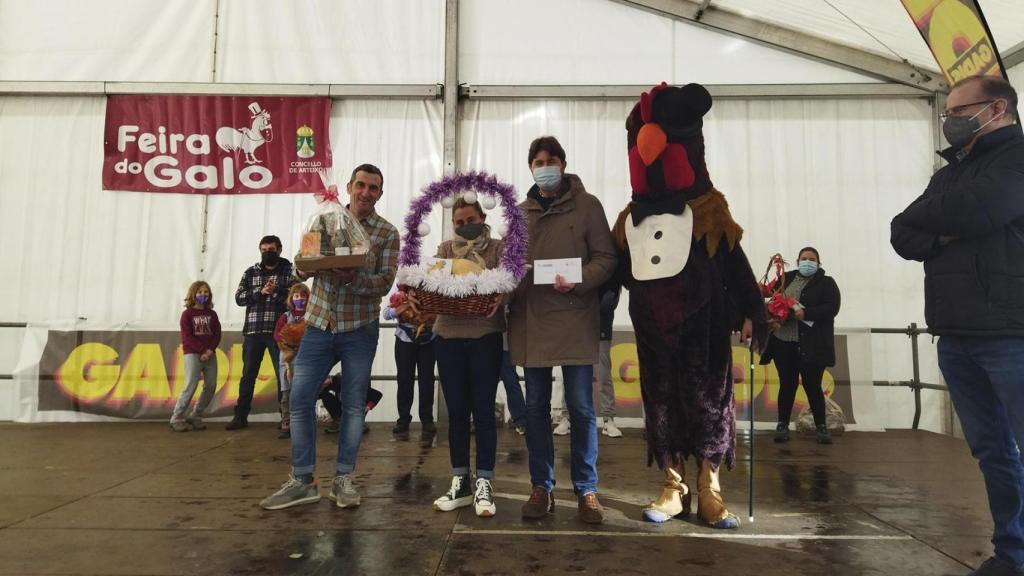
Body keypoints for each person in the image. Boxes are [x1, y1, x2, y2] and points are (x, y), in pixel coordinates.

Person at [612, 83, 766, 528]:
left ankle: (709, 487)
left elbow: (736, 266)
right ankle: (674, 485)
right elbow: (613, 272)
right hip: (652, 336)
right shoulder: (629, 222)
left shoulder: (710, 213)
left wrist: (753, 311)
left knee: (708, 404)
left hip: (705, 331)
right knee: (660, 406)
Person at [891, 75, 1024, 576]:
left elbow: (983, 208)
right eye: (947, 112)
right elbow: (901, 230)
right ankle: (1012, 555)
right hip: (957, 334)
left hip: (1012, 331)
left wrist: (938, 225)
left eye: (957, 110)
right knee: (992, 452)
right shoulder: (951, 171)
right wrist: (944, 232)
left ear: (996, 108)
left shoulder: (1017, 158)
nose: (950, 121)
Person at [259, 163, 399, 511]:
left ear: (380, 194)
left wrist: (350, 278)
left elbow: (384, 283)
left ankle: (343, 480)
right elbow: (300, 267)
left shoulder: (387, 233)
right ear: (349, 187)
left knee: (353, 406)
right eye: (361, 185)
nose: (366, 192)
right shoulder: (324, 221)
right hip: (319, 325)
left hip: (359, 330)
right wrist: (310, 264)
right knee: (300, 400)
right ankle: (303, 479)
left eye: (374, 188)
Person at [507, 136, 617, 524]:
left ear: (564, 163)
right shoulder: (518, 214)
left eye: (551, 160)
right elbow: (508, 265)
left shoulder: (589, 206)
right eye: (538, 161)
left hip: (575, 316)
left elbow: (607, 259)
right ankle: (542, 487)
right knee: (535, 408)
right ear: (530, 168)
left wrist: (581, 279)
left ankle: (587, 490)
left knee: (582, 408)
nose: (544, 166)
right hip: (530, 320)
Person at [429, 198, 507, 518]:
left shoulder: (499, 249)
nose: (464, 226)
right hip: (447, 336)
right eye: (459, 222)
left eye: (469, 219)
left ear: (482, 217)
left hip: (485, 335)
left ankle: (484, 483)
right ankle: (461, 479)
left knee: (484, 411)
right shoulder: (445, 248)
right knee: (457, 412)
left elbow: (509, 282)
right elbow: (433, 281)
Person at [758, 247, 840, 445]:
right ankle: (782, 425)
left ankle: (821, 426)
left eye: (812, 259)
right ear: (797, 261)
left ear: (819, 263)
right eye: (804, 259)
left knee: (813, 385)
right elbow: (769, 297)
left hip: (812, 344)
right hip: (783, 342)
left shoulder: (827, 283)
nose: (807, 262)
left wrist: (807, 313)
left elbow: (832, 307)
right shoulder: (785, 278)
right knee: (787, 384)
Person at [227, 235, 294, 430]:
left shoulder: (290, 272)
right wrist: (260, 292)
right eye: (263, 250)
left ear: (280, 250)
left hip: (279, 333)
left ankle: (286, 419)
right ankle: (240, 417)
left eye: (271, 250)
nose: (267, 253)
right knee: (248, 375)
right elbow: (239, 298)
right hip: (254, 332)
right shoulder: (250, 272)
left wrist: (275, 292)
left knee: (283, 375)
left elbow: (297, 298)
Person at [552, 283, 623, 438]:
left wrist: (585, 304)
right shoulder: (576, 273)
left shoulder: (609, 276)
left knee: (604, 376)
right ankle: (566, 417)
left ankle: (608, 419)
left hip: (600, 331)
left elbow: (610, 302)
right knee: (570, 376)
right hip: (576, 330)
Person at [382, 283, 437, 442]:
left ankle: (427, 419)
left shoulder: (432, 286)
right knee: (404, 379)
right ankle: (403, 418)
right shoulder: (399, 287)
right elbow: (386, 313)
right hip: (404, 339)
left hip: (429, 339)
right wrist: (404, 305)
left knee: (427, 379)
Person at [170, 281, 221, 432]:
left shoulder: (212, 314)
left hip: (210, 354)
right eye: (199, 292)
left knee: (210, 385)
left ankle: (196, 415)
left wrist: (210, 350)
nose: (203, 295)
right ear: (193, 294)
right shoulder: (187, 314)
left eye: (206, 292)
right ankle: (176, 417)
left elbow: (217, 334)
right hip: (192, 354)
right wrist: (202, 350)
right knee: (190, 385)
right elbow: (187, 336)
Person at [273, 283, 312, 439]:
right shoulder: (285, 316)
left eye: (303, 296)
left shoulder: (311, 316)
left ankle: (303, 424)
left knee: (303, 392)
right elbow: (277, 334)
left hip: (305, 357)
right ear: (291, 298)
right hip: (287, 359)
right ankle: (286, 422)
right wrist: (285, 345)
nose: (300, 299)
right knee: (287, 393)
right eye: (296, 296)